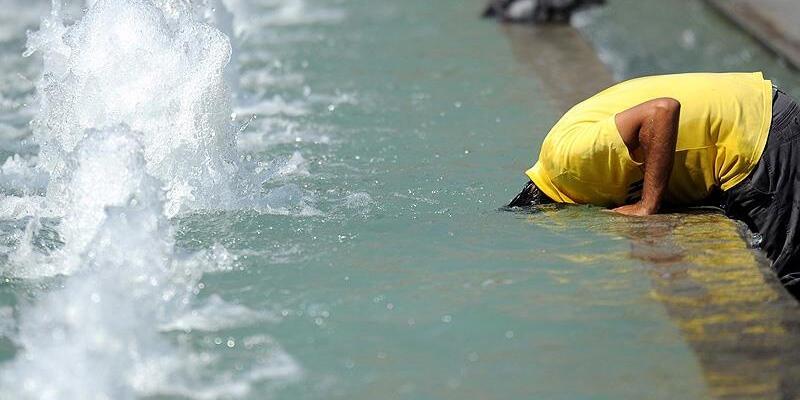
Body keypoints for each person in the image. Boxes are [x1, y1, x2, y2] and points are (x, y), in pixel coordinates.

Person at [509, 72, 800, 297]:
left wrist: (647, 204)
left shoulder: (567, 163)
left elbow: (662, 111)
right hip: (751, 115)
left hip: (756, 133)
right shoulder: (566, 164)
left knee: (782, 279)